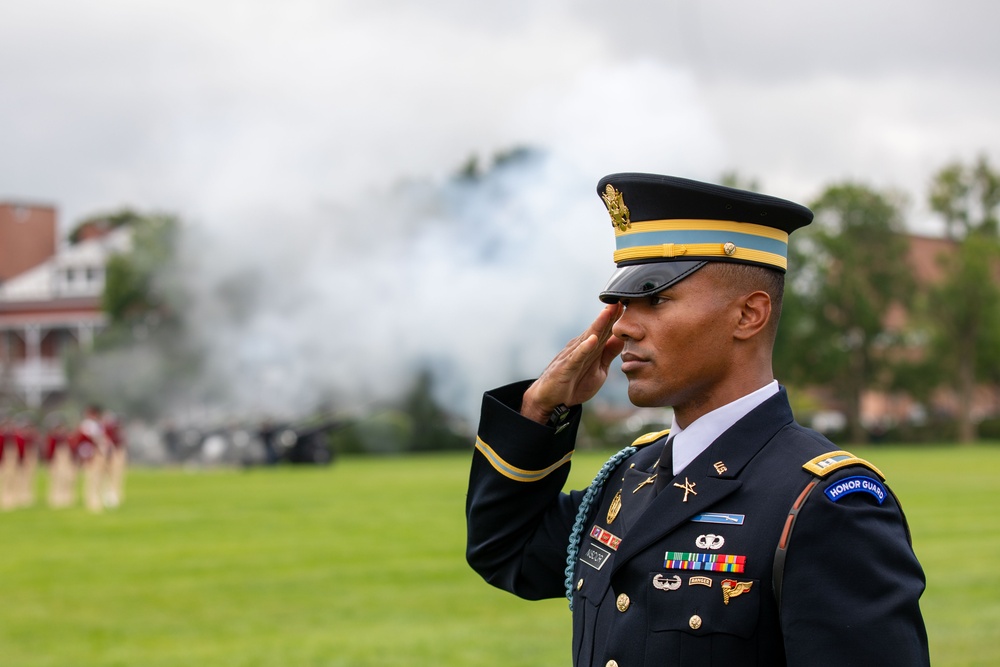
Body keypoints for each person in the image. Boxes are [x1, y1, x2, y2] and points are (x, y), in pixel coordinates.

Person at [465, 173, 929, 666]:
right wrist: (539, 411)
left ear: (748, 314)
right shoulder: (633, 475)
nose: (623, 326)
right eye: (622, 304)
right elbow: (507, 551)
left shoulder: (828, 505)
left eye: (656, 299)